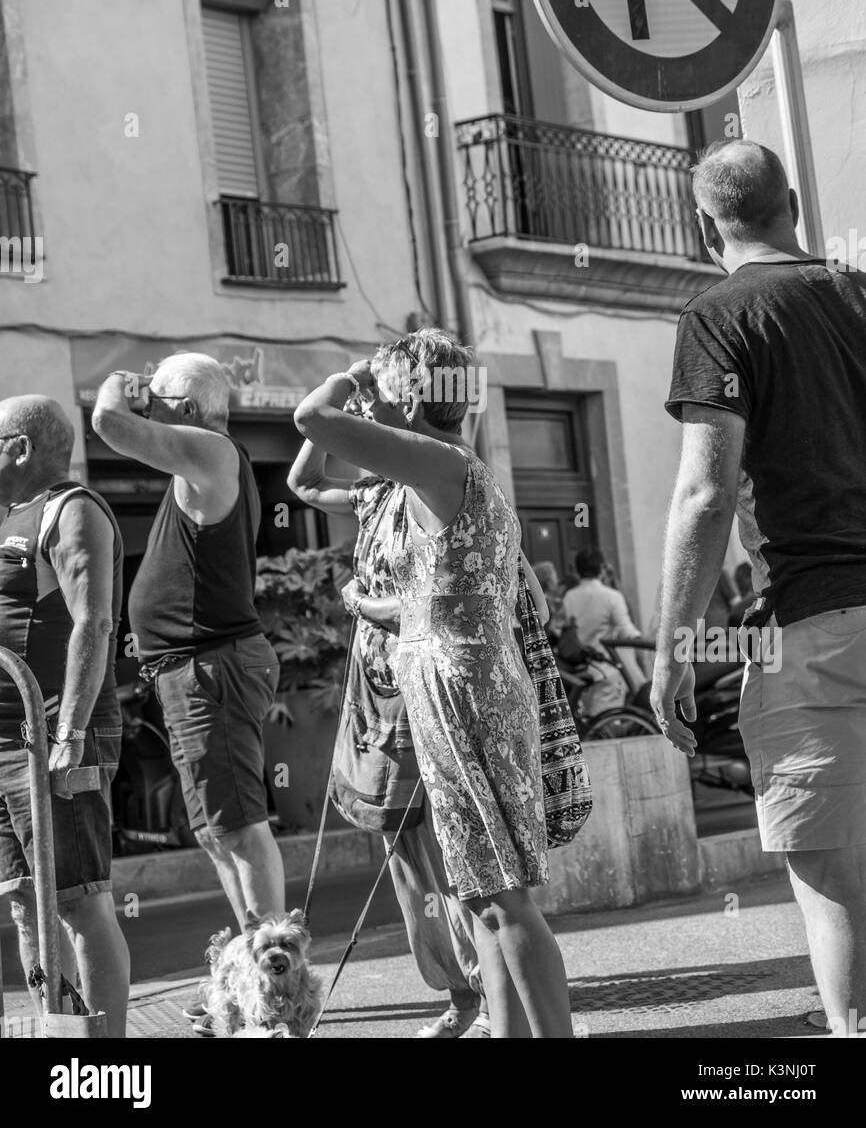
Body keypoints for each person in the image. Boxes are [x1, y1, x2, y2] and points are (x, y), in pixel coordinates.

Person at [294, 328, 573, 1039]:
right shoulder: (433, 466)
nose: (369, 401)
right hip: (449, 683)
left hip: (461, 686)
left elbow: (311, 420)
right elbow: (310, 468)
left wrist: (352, 377)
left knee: (504, 898)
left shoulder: (438, 461)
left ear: (411, 397)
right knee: (484, 894)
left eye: (382, 391)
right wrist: (376, 383)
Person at [652, 138, 866, 1038]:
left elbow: (705, 492)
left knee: (833, 887)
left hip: (808, 629)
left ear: (708, 227)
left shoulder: (719, 315)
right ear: (792, 206)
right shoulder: (858, 290)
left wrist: (672, 651)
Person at [289, 426, 489, 1039]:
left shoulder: (437, 486)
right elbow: (301, 482)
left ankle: (490, 997)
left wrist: (359, 602)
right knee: (404, 853)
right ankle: (460, 993)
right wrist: (334, 398)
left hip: (423, 685)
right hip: (376, 694)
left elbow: (433, 606)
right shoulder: (374, 494)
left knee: (451, 851)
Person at [92, 356, 284, 946]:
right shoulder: (205, 460)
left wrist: (118, 387)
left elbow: (108, 422)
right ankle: (255, 963)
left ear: (188, 410)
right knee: (215, 828)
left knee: (239, 825)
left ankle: (275, 972)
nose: (147, 410)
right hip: (195, 669)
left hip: (211, 667)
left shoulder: (212, 451)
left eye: (156, 401)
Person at [0, 396, 130, 1036]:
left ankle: (106, 1066)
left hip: (53, 737)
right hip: (4, 744)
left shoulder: (70, 510)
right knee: (26, 901)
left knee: (78, 902)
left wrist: (71, 733)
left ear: (19, 447)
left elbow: (94, 621)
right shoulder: (7, 515)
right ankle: (63, 1048)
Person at [561, 550, 644, 706]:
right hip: (608, 667)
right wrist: (645, 641)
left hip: (584, 668)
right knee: (608, 723)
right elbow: (627, 630)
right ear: (601, 568)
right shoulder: (612, 596)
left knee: (595, 721)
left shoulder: (569, 597)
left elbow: (563, 628)